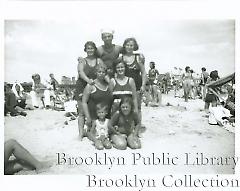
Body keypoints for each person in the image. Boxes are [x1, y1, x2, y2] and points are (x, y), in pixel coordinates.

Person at [75, 41, 104, 140]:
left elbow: (104, 71)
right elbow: (81, 72)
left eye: (92, 48)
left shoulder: (99, 60)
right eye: (88, 48)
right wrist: (88, 81)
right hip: (82, 86)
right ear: (85, 50)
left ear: (94, 49)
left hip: (93, 86)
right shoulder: (82, 61)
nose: (90, 50)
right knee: (82, 112)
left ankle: (91, 131)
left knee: (93, 109)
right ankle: (80, 133)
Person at [82, 63, 113, 139]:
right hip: (94, 119)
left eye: (103, 72)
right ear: (96, 72)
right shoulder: (90, 85)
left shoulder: (108, 85)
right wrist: (88, 117)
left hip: (105, 118)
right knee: (95, 136)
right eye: (99, 72)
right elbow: (84, 102)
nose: (101, 74)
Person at [120, 37, 147, 123]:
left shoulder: (138, 58)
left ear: (134, 46)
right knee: (125, 107)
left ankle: (137, 127)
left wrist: (143, 85)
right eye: (127, 45)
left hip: (137, 86)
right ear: (124, 46)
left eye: (131, 45)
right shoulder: (121, 58)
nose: (129, 47)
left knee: (137, 108)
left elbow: (143, 73)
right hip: (125, 86)